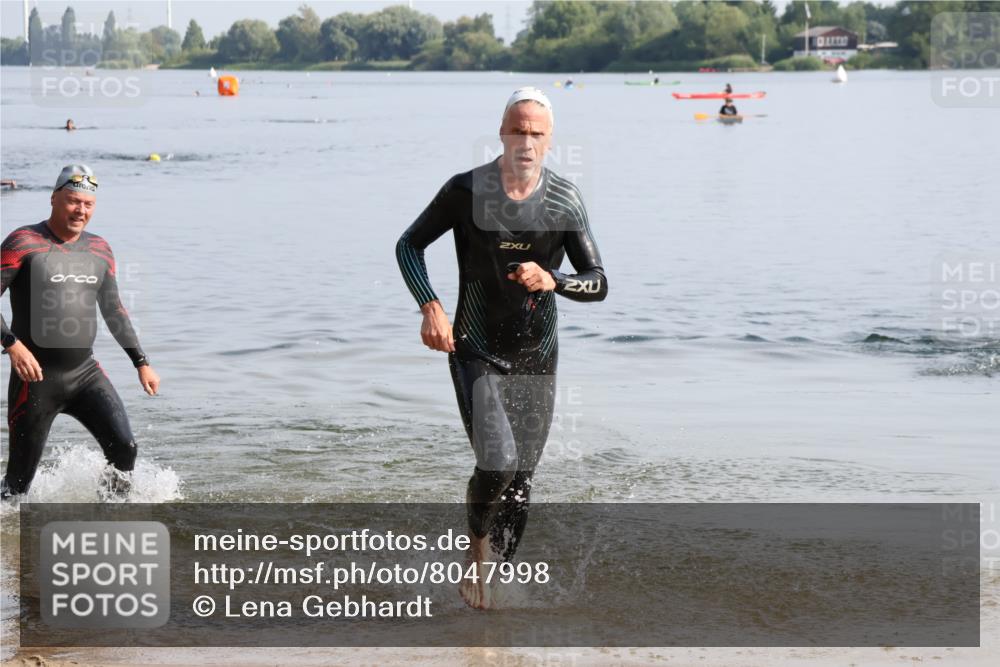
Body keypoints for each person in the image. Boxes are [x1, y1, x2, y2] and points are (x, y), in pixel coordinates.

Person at [396, 87, 607, 610]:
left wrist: (555, 279)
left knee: (521, 481)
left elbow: (598, 281)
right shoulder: (466, 190)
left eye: (536, 133)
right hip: (475, 347)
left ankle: (497, 598)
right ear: (502, 133)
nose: (526, 142)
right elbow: (409, 245)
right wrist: (430, 307)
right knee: (497, 463)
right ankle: (476, 553)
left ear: (550, 139)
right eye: (518, 131)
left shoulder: (564, 200)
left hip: (537, 356)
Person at [1, 165, 160, 499]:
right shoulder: (23, 242)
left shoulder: (99, 249)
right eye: (73, 201)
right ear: (54, 199)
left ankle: (110, 516)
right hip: (35, 380)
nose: (80, 210)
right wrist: (12, 345)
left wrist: (141, 362)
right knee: (17, 484)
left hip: (85, 373)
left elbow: (114, 310)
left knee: (125, 450)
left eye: (88, 204)